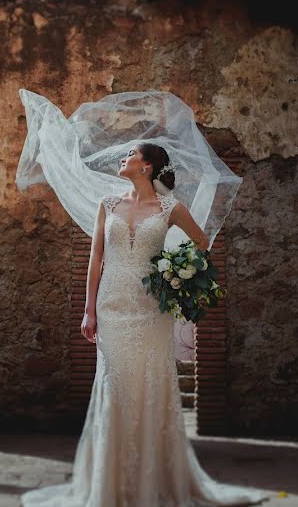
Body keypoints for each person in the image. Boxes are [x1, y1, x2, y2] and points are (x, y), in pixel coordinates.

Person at [20, 143, 270, 506]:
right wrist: (88, 310)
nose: (123, 158)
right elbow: (95, 260)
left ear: (148, 166)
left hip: (152, 309)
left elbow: (200, 244)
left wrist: (174, 274)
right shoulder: (107, 205)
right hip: (111, 306)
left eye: (131, 155)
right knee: (115, 385)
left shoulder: (170, 209)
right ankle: (111, 482)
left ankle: (152, 480)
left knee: (151, 384)